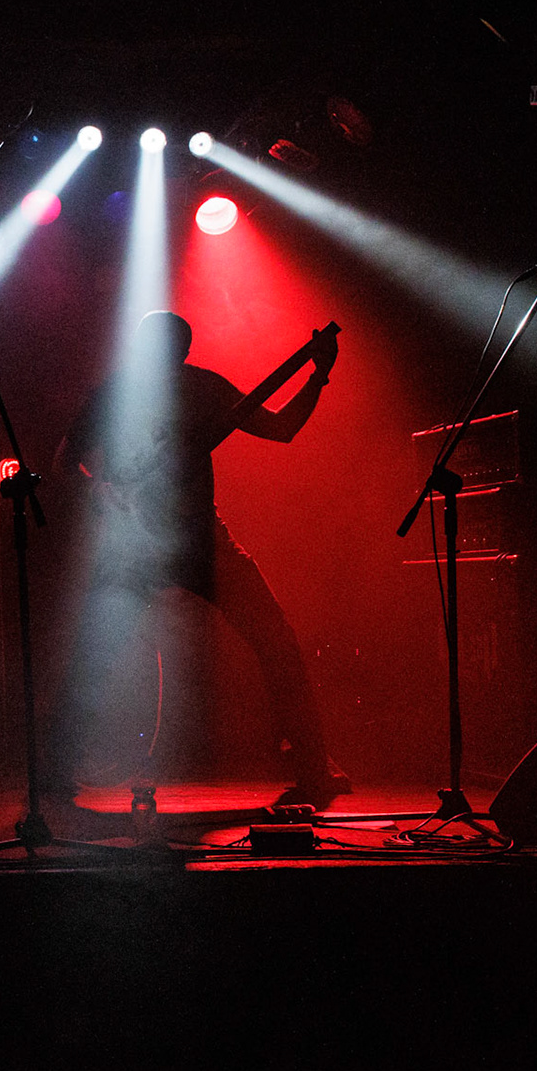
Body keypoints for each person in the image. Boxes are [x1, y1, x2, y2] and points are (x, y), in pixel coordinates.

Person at [51, 309, 349, 807]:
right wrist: (99, 489)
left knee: (274, 640)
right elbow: (65, 461)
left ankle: (313, 768)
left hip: (199, 543)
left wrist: (318, 375)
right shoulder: (118, 394)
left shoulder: (200, 388)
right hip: (139, 547)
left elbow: (280, 429)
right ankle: (54, 766)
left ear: (181, 354)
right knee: (96, 654)